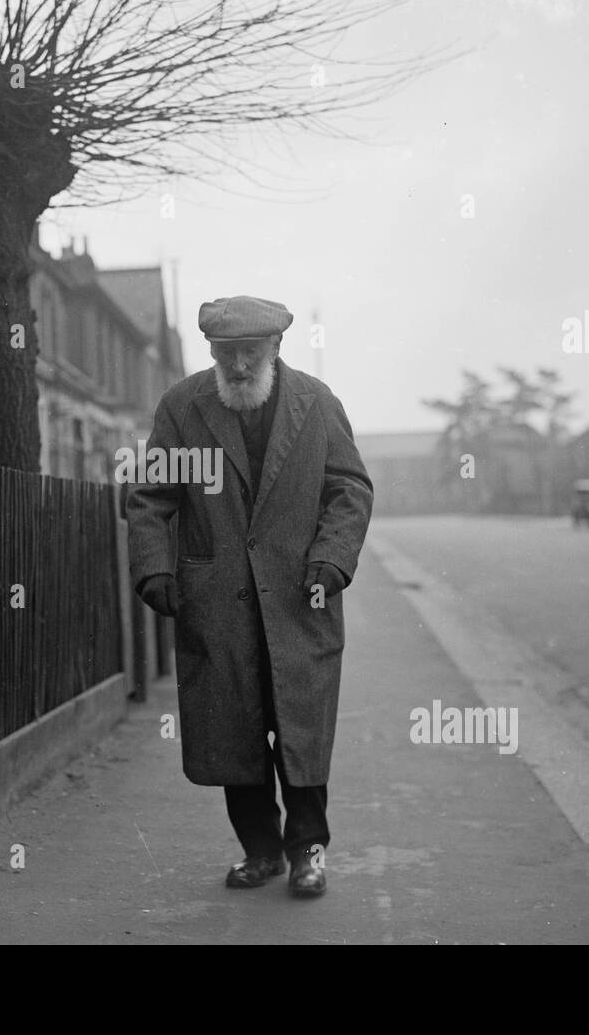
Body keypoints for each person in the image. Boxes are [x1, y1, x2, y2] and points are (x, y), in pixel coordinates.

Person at [126, 295, 373, 898]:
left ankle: (308, 852)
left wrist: (332, 558)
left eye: (250, 353)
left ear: (276, 349)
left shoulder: (317, 403)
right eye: (227, 353)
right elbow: (151, 498)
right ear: (212, 351)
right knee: (235, 733)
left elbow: (349, 488)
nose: (238, 366)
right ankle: (260, 851)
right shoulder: (183, 407)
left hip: (300, 599)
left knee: (302, 732)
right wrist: (156, 568)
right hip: (218, 604)